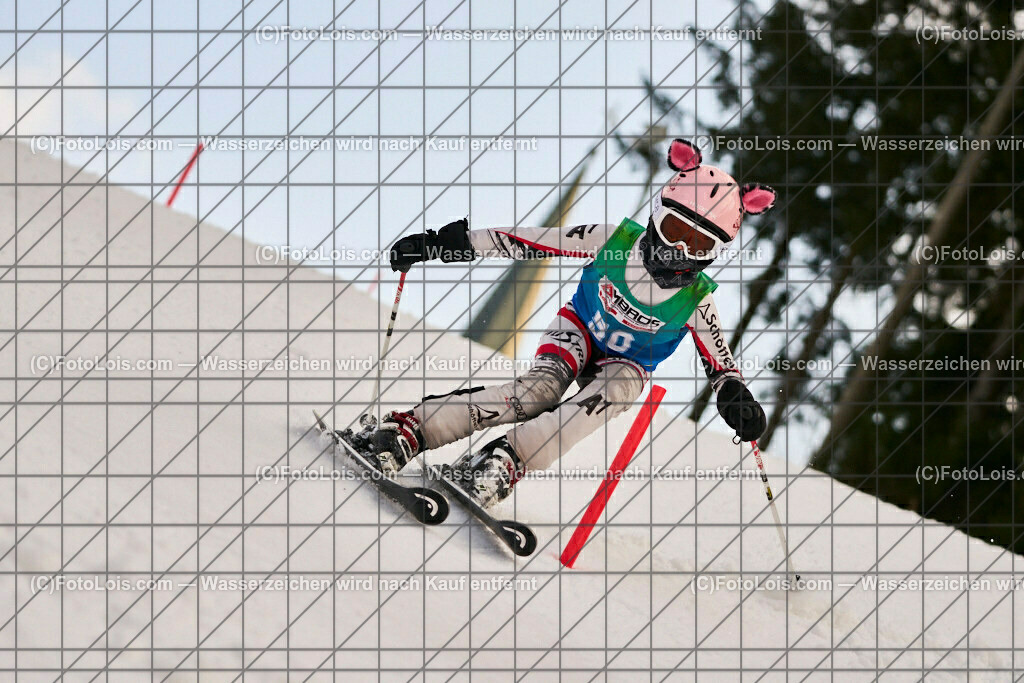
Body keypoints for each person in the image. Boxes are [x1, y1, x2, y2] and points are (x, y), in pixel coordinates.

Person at [366, 139, 775, 508]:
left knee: (614, 393)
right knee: (537, 394)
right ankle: (410, 431)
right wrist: (450, 243)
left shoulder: (696, 299)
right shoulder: (614, 241)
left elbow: (723, 369)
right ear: (656, 214)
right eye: (675, 230)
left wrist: (736, 397)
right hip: (577, 329)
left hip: (625, 365)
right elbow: (530, 240)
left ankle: (506, 460)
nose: (681, 250)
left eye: (702, 244)